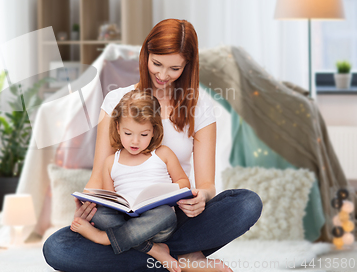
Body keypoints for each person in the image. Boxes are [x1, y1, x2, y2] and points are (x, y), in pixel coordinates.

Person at [43, 19, 263, 272]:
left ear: (188, 66)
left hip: (173, 215)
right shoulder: (116, 100)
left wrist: (201, 197)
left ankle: (150, 255)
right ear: (145, 54)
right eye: (156, 63)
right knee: (57, 247)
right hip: (122, 218)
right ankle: (180, 260)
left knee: (247, 203)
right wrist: (86, 207)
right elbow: (98, 177)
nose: (162, 75)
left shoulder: (199, 106)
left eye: (174, 68)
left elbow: (206, 185)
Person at [71, 90, 190, 272]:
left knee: (166, 214)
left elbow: (183, 182)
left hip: (158, 223)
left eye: (143, 135)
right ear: (118, 128)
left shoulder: (163, 154)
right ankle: (152, 249)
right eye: (128, 133)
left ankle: (103, 238)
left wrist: (167, 191)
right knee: (99, 215)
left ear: (154, 131)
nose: (135, 141)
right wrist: (89, 202)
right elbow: (110, 200)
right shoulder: (111, 162)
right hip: (126, 221)